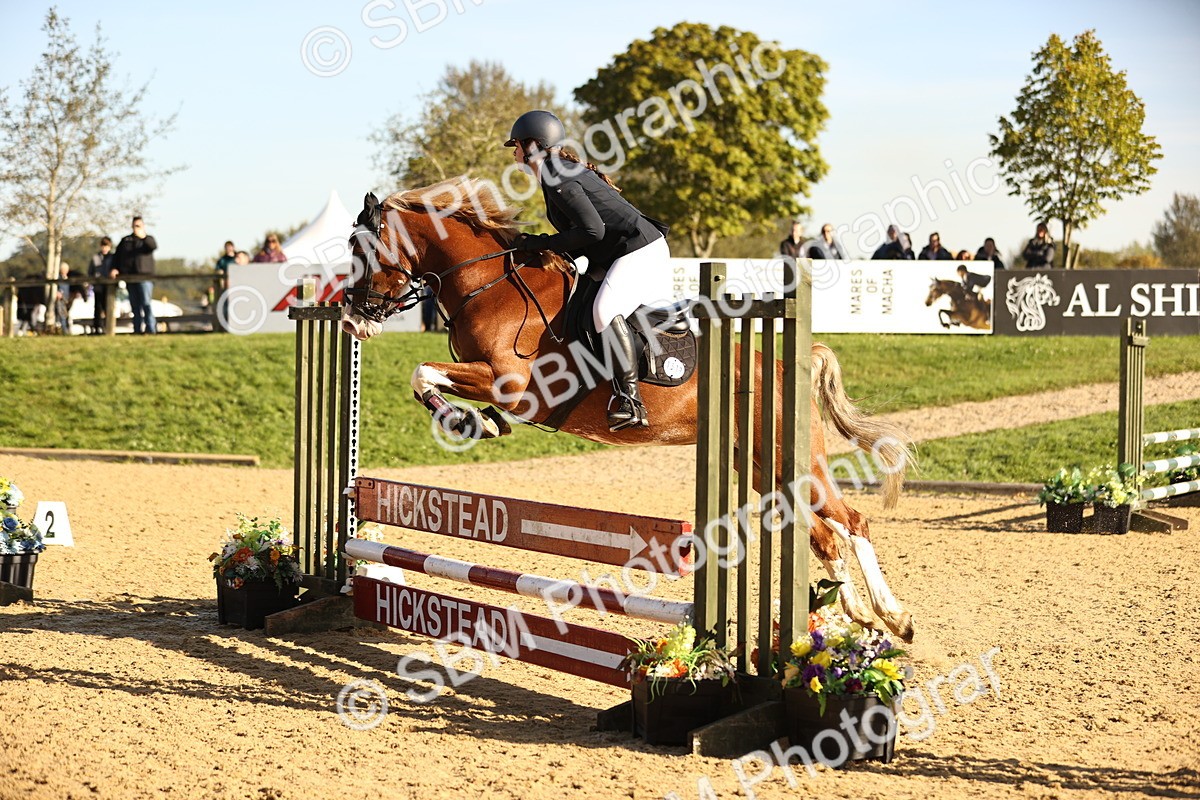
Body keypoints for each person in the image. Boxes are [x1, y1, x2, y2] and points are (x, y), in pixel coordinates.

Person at [505, 109, 670, 432]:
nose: (514, 152)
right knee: (580, 306)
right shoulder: (554, 172)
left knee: (604, 311)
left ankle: (631, 401)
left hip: (638, 250)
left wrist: (542, 243)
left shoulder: (555, 173)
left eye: (517, 145)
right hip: (616, 253)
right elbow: (587, 233)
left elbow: (592, 230)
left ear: (533, 145)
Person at [115, 215, 158, 334]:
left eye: (139, 225)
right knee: (135, 306)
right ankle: (137, 330)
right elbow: (117, 256)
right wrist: (115, 269)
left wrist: (143, 237)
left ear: (143, 226)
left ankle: (151, 329)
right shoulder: (126, 241)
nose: (136, 228)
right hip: (130, 277)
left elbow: (153, 246)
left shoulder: (148, 239)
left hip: (145, 277)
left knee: (146, 304)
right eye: (135, 226)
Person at [89, 237, 115, 334]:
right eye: (103, 246)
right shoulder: (95, 258)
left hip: (109, 287)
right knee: (98, 307)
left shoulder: (113, 258)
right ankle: (97, 328)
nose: (105, 248)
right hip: (98, 286)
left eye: (106, 246)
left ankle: (107, 327)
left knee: (108, 307)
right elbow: (90, 271)